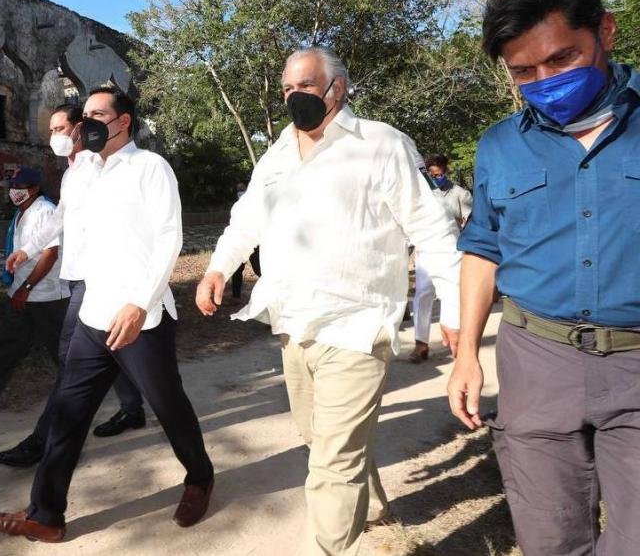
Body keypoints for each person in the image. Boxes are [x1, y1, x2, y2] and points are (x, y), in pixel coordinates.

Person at [196, 47, 461, 556]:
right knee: (322, 439)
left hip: (357, 326)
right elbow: (246, 218)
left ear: (338, 89)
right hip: (294, 324)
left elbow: (431, 227)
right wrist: (217, 268)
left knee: (332, 462)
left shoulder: (381, 144)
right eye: (287, 88)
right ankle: (373, 508)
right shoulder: (278, 153)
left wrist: (453, 306)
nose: (294, 96)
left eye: (306, 86)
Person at [448, 0, 640, 554]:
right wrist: (465, 356)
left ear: (605, 31)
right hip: (537, 362)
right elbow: (482, 248)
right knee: (548, 534)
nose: (545, 80)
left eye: (561, 58)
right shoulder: (500, 146)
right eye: (524, 71)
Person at [0, 85, 214, 542]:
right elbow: (61, 220)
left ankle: (200, 477)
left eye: (97, 115)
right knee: (68, 411)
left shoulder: (150, 167)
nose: (85, 123)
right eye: (83, 115)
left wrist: (140, 302)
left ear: (123, 122)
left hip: (139, 317)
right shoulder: (82, 171)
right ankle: (45, 515)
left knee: (168, 405)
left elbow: (169, 238)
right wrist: (28, 248)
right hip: (92, 310)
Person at [0, 105, 147, 468]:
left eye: (60, 128)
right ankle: (133, 409)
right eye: (51, 130)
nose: (54, 136)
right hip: (81, 278)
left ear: (80, 129)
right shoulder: (72, 172)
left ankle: (44, 441)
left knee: (72, 363)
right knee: (113, 352)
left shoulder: (99, 166)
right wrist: (27, 250)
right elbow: (60, 219)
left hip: (98, 280)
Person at [0, 166, 70, 409]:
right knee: (7, 344)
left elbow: (50, 254)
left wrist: (26, 287)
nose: (14, 191)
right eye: (12, 187)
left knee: (63, 350)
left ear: (34, 189)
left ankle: (80, 395)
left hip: (47, 296)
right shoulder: (21, 212)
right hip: (22, 292)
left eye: (19, 187)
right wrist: (21, 288)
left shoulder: (45, 211)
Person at [409, 154, 472, 362]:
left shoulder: (460, 194)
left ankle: (455, 345)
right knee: (423, 293)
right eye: (433, 175)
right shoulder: (421, 192)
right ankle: (421, 343)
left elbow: (470, 221)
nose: (437, 178)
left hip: (452, 249)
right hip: (425, 250)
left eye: (440, 174)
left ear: (446, 171)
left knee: (450, 294)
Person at [230, 180, 261, 299]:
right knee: (237, 269)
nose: (240, 192)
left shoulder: (255, 204)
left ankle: (274, 290)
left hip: (254, 242)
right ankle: (235, 296)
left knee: (258, 268)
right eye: (238, 190)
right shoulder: (236, 206)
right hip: (240, 242)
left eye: (242, 189)